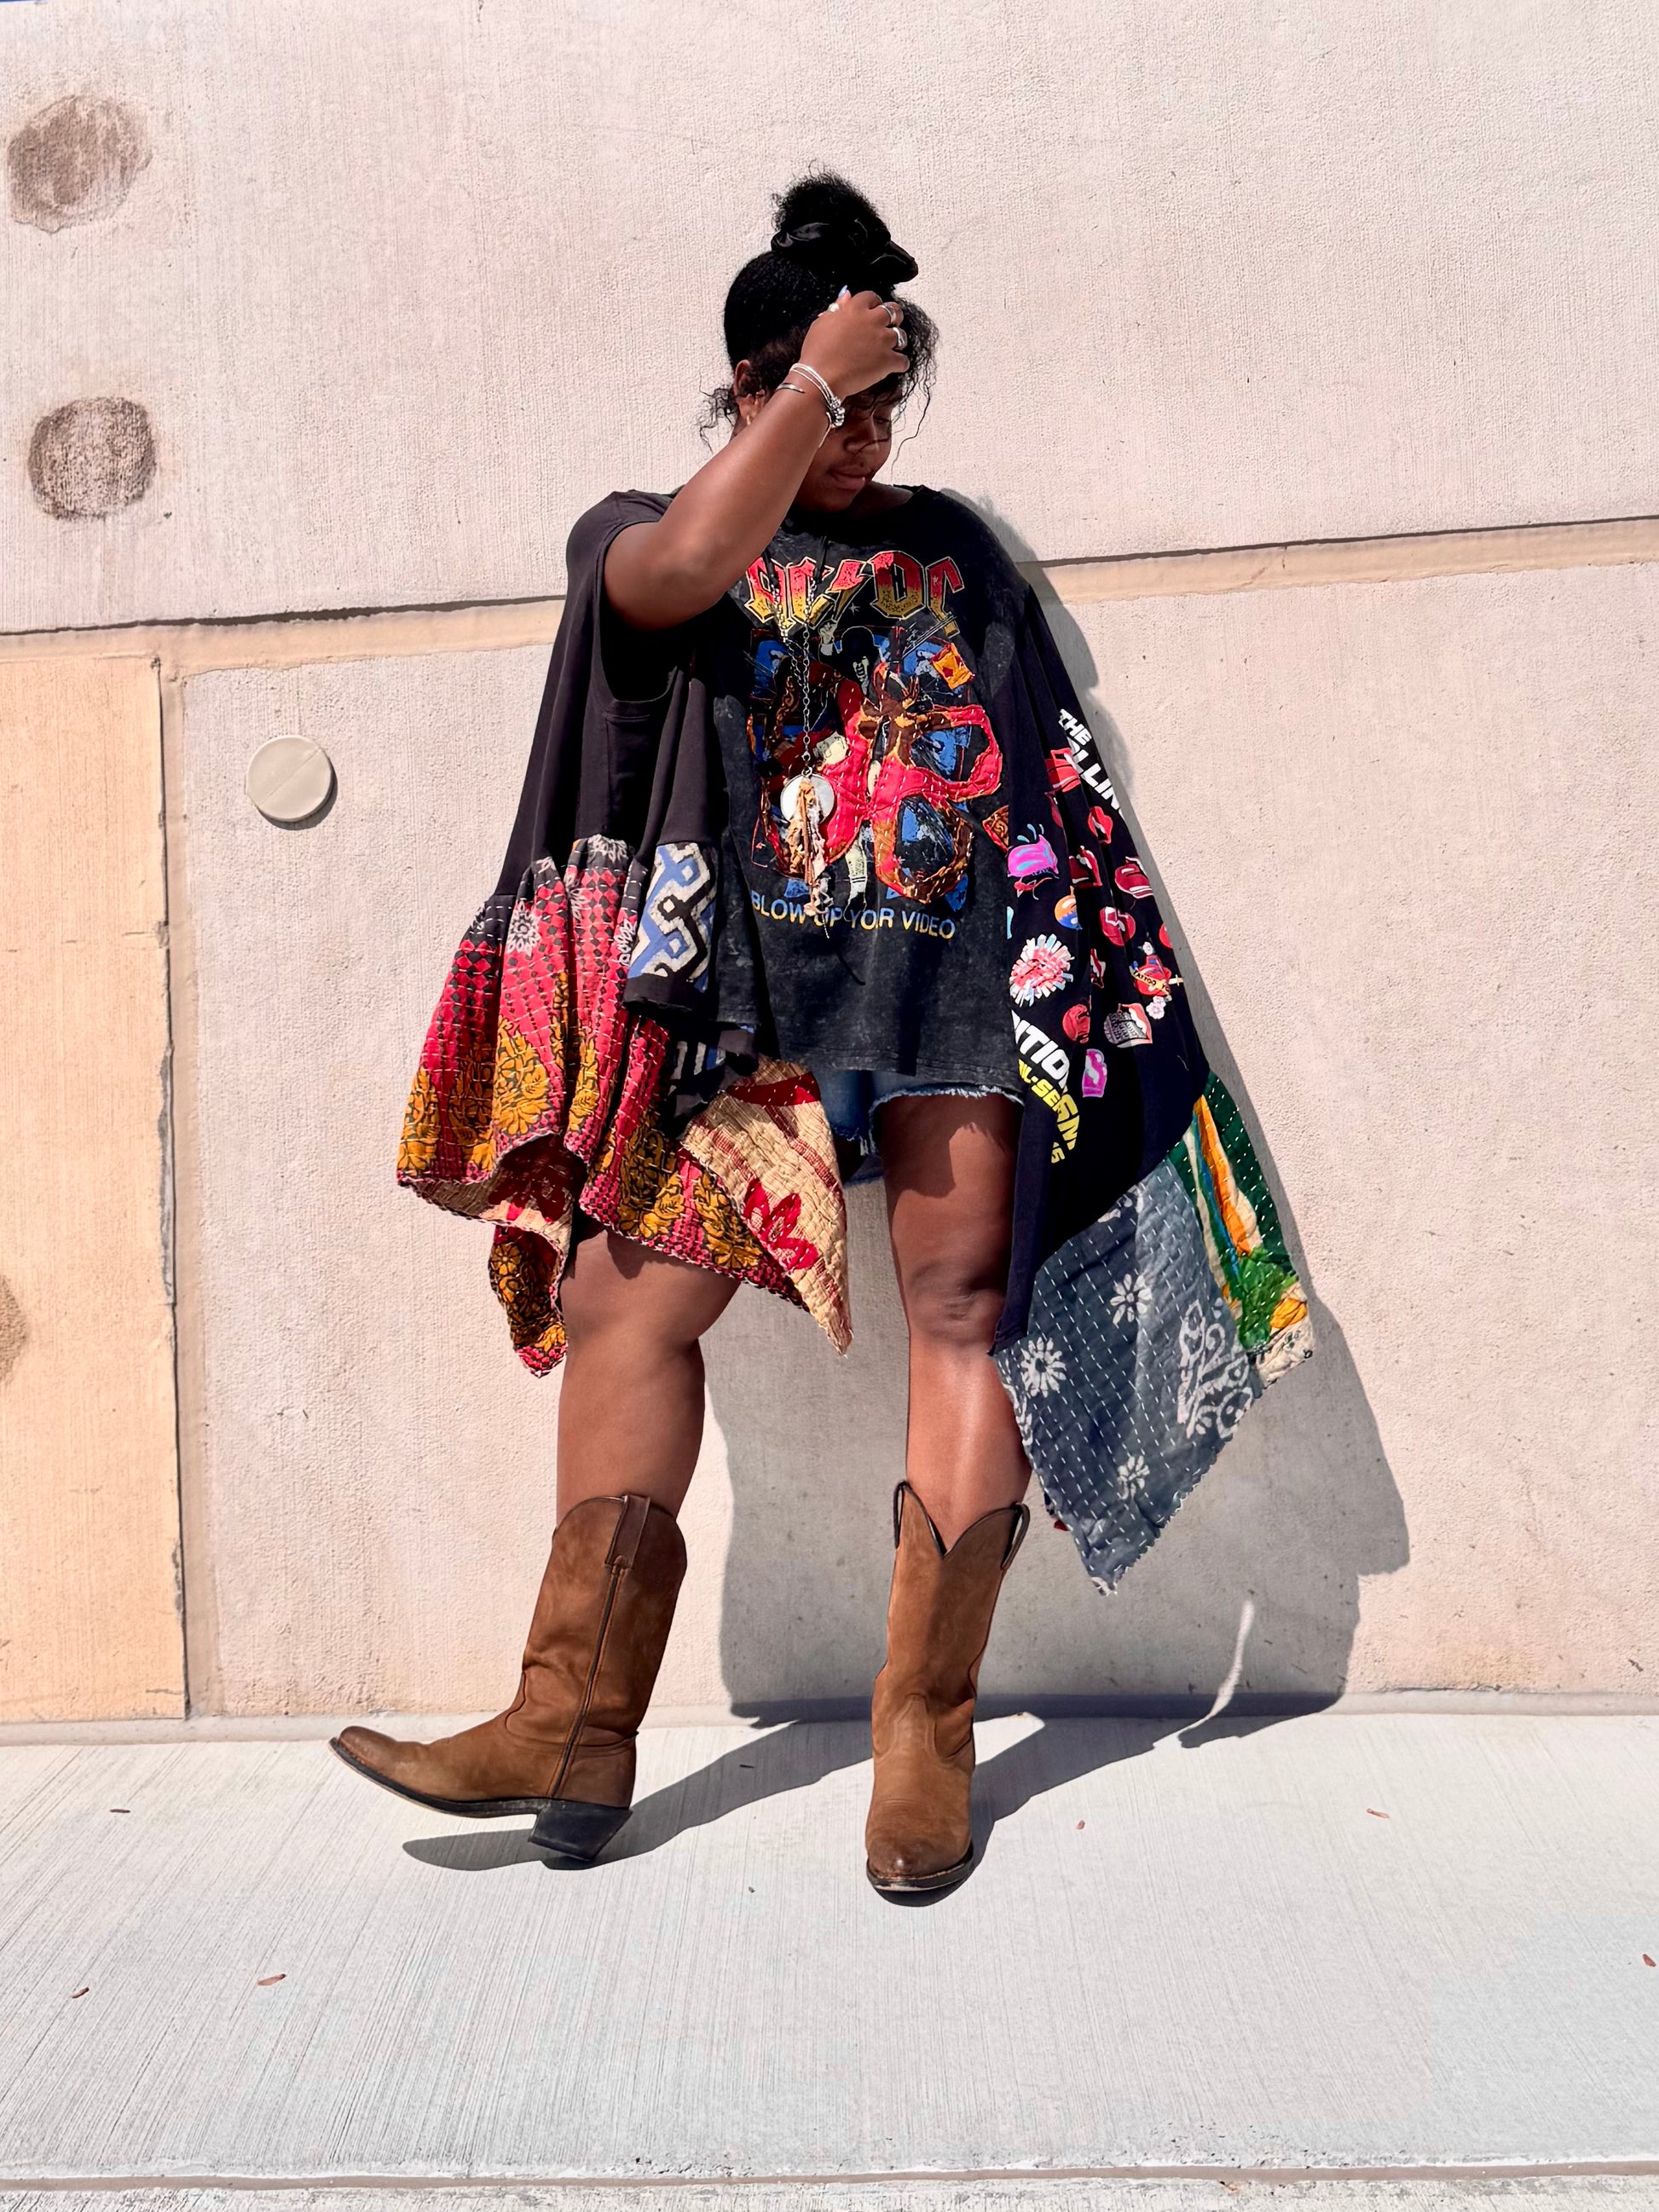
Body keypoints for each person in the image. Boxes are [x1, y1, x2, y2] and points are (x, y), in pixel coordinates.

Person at [332, 175, 1311, 1897]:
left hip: (954, 983)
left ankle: (924, 1729)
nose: (861, 438)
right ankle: (570, 1720)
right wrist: (803, 395)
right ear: (747, 384)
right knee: (623, 1304)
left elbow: (1039, 771)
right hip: (738, 1008)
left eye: (880, 404)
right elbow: (674, 580)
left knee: (962, 1313)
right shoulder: (645, 522)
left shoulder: (951, 544)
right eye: (835, 400)